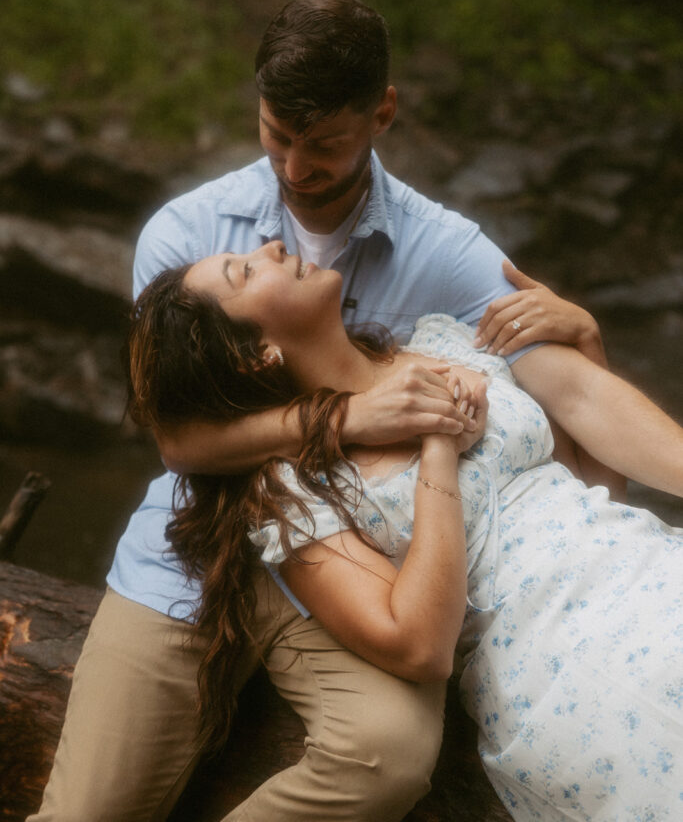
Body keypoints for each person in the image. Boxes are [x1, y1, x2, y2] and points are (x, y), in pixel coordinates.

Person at [30, 0, 622, 822]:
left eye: (325, 146)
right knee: (90, 809)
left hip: (357, 576)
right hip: (193, 553)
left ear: (382, 112)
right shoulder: (186, 234)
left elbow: (557, 384)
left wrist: (577, 333)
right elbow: (179, 438)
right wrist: (343, 420)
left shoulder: (444, 247)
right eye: (277, 136)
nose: (296, 167)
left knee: (387, 756)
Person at [124, 244, 682, 820]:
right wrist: (438, 445)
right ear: (257, 354)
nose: (270, 247)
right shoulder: (294, 491)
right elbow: (418, 646)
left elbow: (593, 484)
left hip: (646, 565)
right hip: (557, 661)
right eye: (243, 272)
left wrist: (587, 343)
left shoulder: (444, 341)